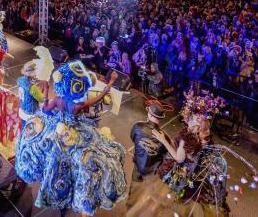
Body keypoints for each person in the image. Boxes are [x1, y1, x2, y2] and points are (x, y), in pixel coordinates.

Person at [15, 61, 126, 216]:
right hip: (76, 132)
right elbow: (100, 97)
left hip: (56, 129)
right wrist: (112, 81)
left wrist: (46, 91)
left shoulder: (58, 100)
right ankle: (71, 196)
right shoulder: (77, 106)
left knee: (56, 162)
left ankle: (61, 202)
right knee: (83, 161)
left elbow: (46, 110)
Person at [130, 104, 168, 180]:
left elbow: (132, 138)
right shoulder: (164, 137)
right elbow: (164, 153)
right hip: (152, 171)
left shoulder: (137, 126)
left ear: (149, 114)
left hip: (138, 163)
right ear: (160, 118)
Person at [17, 61, 46, 126]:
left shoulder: (19, 80)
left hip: (21, 110)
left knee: (24, 129)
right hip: (30, 114)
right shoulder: (32, 87)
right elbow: (41, 99)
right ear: (33, 73)